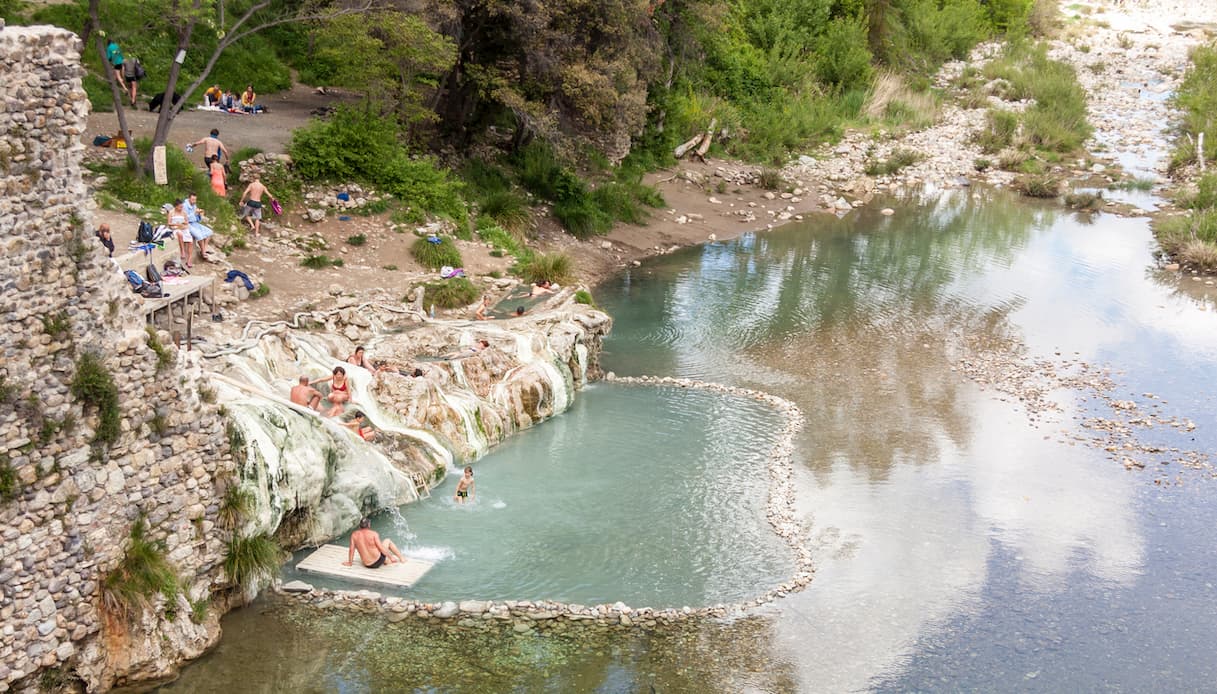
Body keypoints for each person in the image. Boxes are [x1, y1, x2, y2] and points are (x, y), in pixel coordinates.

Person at [182, 193, 214, 261]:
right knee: (199, 236)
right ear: (189, 199)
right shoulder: (184, 206)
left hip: (195, 223)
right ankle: (203, 252)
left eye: (195, 200)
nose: (194, 201)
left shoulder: (194, 205)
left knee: (210, 232)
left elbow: (197, 219)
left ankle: (205, 249)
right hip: (188, 224)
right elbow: (185, 218)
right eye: (193, 200)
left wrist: (199, 214)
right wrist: (194, 213)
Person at [167, 199, 194, 268]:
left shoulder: (184, 213)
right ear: (176, 206)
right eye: (180, 207)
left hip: (183, 227)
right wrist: (175, 224)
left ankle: (189, 259)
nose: (181, 208)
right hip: (175, 228)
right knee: (179, 234)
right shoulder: (171, 212)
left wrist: (183, 224)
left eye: (182, 207)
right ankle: (182, 251)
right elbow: (169, 223)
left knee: (190, 241)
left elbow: (187, 221)